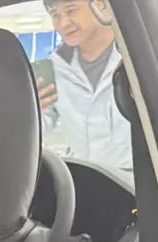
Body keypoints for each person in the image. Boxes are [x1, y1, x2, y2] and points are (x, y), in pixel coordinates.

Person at [38, 0, 133, 172]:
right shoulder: (56, 68)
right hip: (84, 177)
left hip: (134, 179)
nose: (63, 23)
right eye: (55, 15)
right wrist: (29, 114)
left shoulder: (135, 59)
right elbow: (39, 128)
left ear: (99, 4)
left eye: (71, 11)